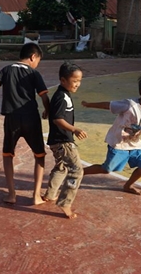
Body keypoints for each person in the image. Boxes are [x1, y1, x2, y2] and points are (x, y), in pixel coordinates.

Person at [0, 42, 50, 205]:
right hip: (31, 118)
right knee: (39, 156)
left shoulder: (7, 70)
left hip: (12, 119)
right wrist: (47, 110)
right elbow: (44, 97)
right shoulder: (34, 73)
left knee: (8, 155)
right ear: (33, 57)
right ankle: (36, 195)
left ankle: (11, 194)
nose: (37, 63)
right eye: (38, 60)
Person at [82, 73, 141, 195]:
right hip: (119, 143)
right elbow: (107, 105)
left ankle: (128, 186)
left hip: (135, 144)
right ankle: (79, 172)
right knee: (106, 169)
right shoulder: (130, 105)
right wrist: (89, 104)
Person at [43, 62, 87, 219]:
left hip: (58, 140)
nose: (77, 84)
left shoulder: (62, 94)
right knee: (76, 170)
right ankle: (65, 203)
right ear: (63, 80)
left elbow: (53, 112)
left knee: (61, 167)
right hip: (63, 141)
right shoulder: (62, 97)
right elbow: (57, 119)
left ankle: (50, 194)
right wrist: (74, 129)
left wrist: (47, 110)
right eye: (74, 81)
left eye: (79, 80)